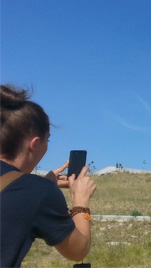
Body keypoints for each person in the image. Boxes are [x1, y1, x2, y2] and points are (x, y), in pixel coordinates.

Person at [0, 84, 97, 267]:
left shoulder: (35, 190)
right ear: (35, 143)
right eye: (48, 140)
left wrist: (42, 184)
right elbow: (77, 250)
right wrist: (81, 201)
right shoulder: (37, 191)